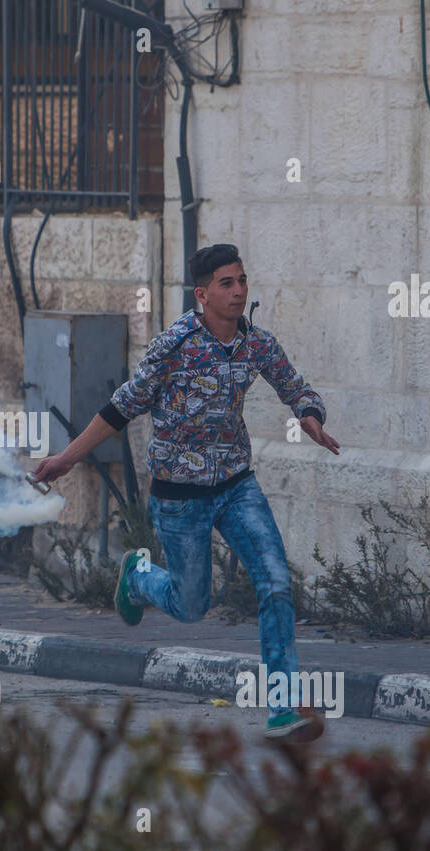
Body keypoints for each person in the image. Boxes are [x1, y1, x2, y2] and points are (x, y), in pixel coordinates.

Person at [30, 244, 341, 742]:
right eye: (226, 283)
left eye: (242, 280)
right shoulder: (172, 346)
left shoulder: (255, 344)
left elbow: (294, 385)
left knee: (276, 583)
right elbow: (120, 408)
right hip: (179, 496)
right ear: (203, 294)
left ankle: (284, 707)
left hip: (237, 486)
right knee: (193, 604)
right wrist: (66, 459)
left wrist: (309, 416)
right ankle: (138, 576)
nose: (239, 291)